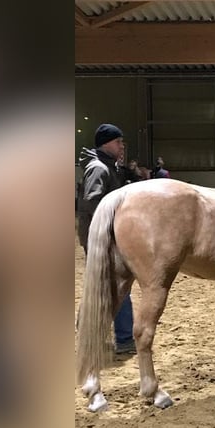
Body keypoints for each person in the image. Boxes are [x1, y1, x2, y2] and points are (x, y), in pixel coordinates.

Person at [76, 123, 136, 355]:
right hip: (100, 238)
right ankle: (124, 339)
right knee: (117, 286)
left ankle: (88, 333)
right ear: (106, 143)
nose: (122, 146)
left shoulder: (109, 167)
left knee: (105, 286)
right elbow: (92, 203)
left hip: (104, 236)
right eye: (118, 142)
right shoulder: (100, 168)